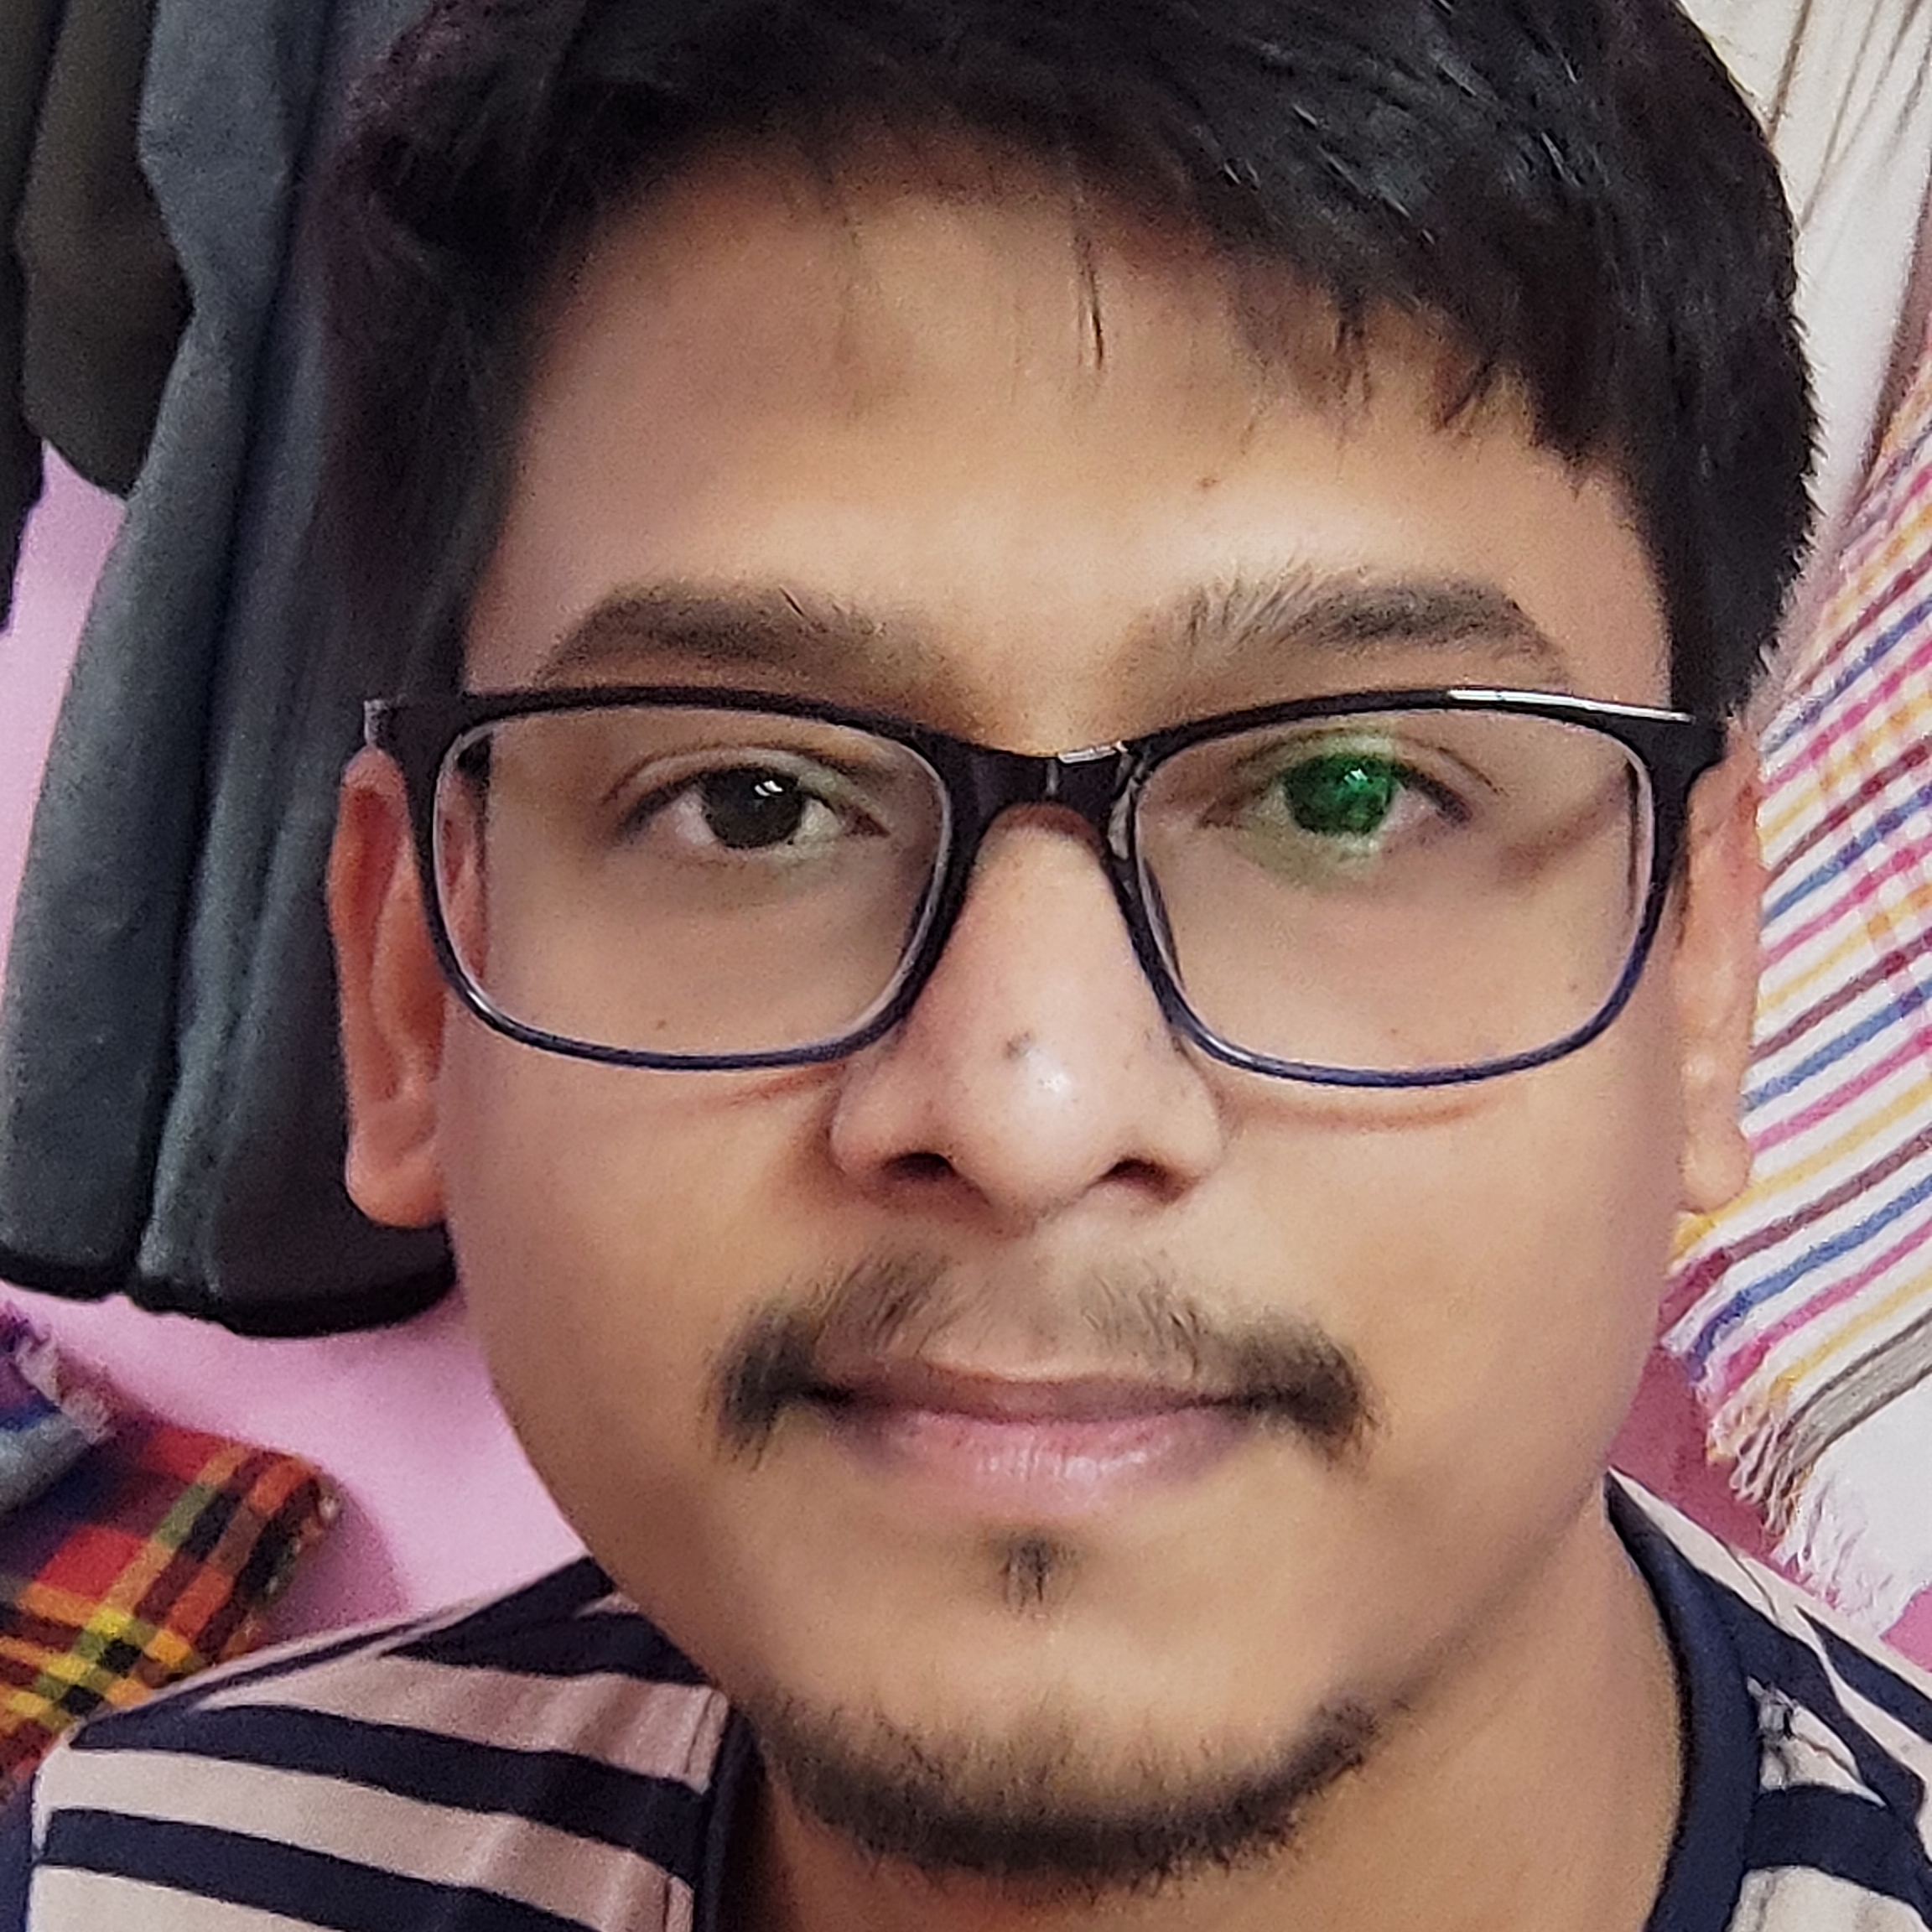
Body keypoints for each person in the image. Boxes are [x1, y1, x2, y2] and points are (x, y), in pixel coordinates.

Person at [5, 0, 1930, 1927]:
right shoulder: (120, 1884)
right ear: (413, 991)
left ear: (1701, 974)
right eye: (751, 802)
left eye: (1348, 793)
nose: (1029, 1109)